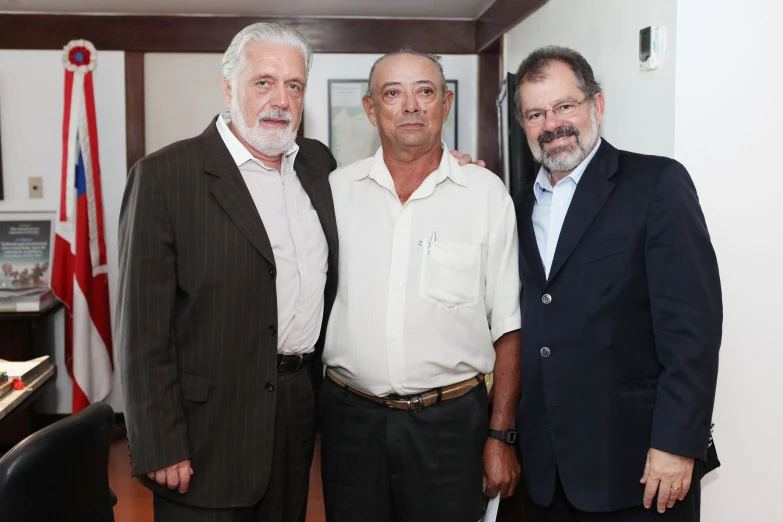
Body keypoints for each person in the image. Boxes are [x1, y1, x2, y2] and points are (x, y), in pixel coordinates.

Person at [116, 23, 338, 522]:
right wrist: (158, 443)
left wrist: (446, 166)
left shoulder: (318, 167)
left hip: (295, 409)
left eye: (294, 85)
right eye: (264, 82)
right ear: (228, 88)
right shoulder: (164, 176)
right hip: (203, 430)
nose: (280, 99)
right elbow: (141, 331)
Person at [512, 46, 722, 521]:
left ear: (597, 106)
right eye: (536, 113)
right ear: (524, 126)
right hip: (549, 468)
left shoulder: (656, 184)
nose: (552, 124)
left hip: (640, 466)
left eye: (565, 106)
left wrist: (676, 443)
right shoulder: (519, 206)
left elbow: (693, 330)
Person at [320, 48, 522, 522]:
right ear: (371, 109)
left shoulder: (485, 194)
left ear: (445, 104)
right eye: (393, 93)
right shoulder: (333, 192)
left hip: (451, 427)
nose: (411, 105)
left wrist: (500, 435)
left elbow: (509, 328)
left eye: (425, 91)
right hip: (351, 424)